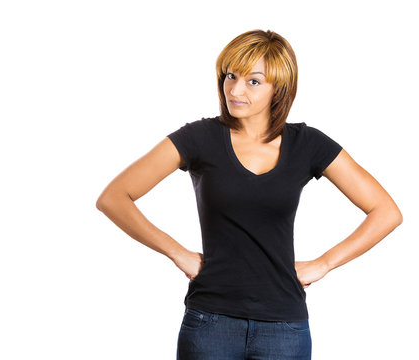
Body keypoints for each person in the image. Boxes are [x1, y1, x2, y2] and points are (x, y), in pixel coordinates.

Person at [96, 29, 403, 360]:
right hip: (210, 322)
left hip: (284, 328)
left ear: (278, 89)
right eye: (231, 76)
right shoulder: (199, 138)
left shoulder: (307, 144)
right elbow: (114, 197)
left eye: (253, 81)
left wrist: (324, 263)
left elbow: (386, 211)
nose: (235, 89)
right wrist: (177, 252)